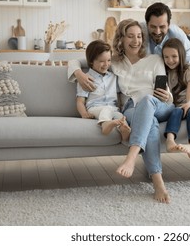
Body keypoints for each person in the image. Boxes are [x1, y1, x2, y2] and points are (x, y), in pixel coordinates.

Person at [68, 19, 175, 203]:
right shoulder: (114, 62)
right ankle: (158, 182)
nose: (136, 41)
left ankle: (132, 157)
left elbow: (166, 92)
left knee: (148, 100)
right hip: (133, 109)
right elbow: (74, 61)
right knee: (150, 123)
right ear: (121, 39)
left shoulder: (154, 59)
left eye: (139, 36)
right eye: (131, 36)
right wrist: (78, 73)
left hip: (159, 104)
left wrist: (167, 95)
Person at [69, 2, 190, 92]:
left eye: (162, 27)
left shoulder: (178, 36)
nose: (158, 31)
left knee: (189, 41)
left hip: (172, 59)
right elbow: (88, 59)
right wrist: (78, 73)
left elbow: (189, 67)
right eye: (153, 27)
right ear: (147, 24)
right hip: (158, 71)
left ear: (169, 24)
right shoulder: (138, 33)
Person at [76, 40, 130, 141]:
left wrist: (121, 107)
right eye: (101, 61)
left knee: (120, 116)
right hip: (95, 108)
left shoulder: (114, 77)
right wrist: (84, 114)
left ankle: (125, 132)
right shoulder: (86, 78)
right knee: (106, 110)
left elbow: (118, 96)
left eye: (109, 60)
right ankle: (105, 125)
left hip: (113, 108)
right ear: (91, 61)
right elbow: (80, 101)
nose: (106, 64)